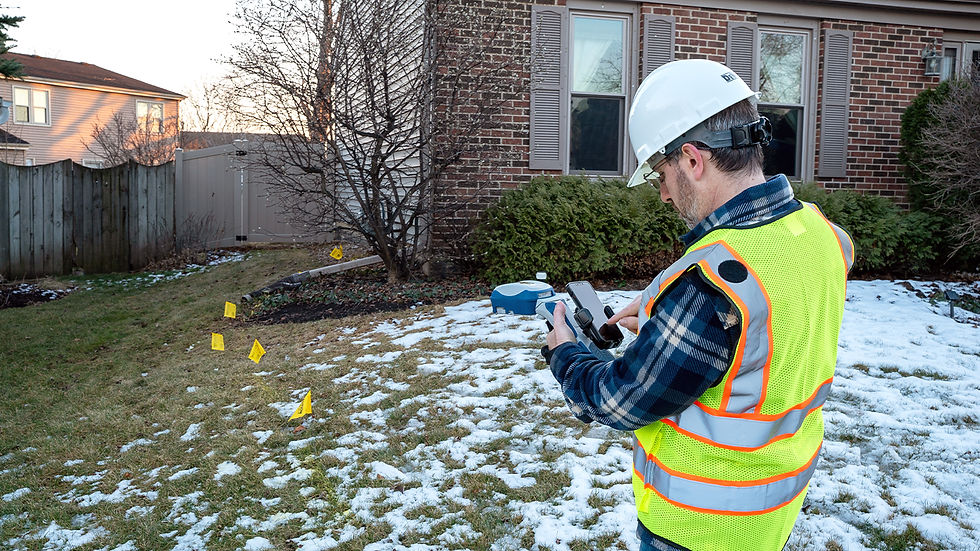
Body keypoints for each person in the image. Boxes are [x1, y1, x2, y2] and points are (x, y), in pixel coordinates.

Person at [542, 59, 854, 551]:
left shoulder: (709, 288)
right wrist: (661, 302)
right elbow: (769, 309)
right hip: (772, 506)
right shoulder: (823, 234)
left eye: (660, 176)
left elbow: (619, 401)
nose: (664, 195)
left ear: (692, 160)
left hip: (700, 523)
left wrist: (565, 353)